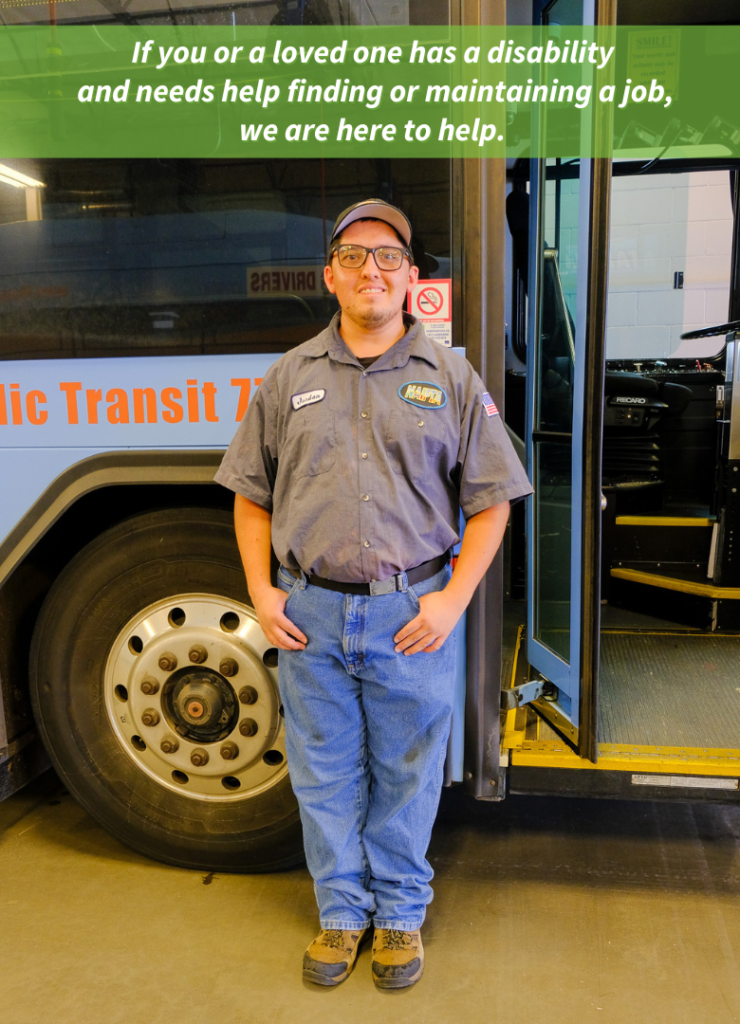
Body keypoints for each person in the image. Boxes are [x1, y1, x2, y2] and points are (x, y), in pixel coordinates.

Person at [214, 199, 532, 990]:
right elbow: (251, 497)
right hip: (309, 615)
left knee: (408, 773)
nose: (371, 271)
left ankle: (398, 915)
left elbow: (493, 503)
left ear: (411, 277)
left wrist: (451, 601)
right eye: (353, 256)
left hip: (409, 615)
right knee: (321, 774)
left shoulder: (450, 377)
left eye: (388, 257)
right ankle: (341, 913)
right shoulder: (288, 377)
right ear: (330, 276)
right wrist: (262, 592)